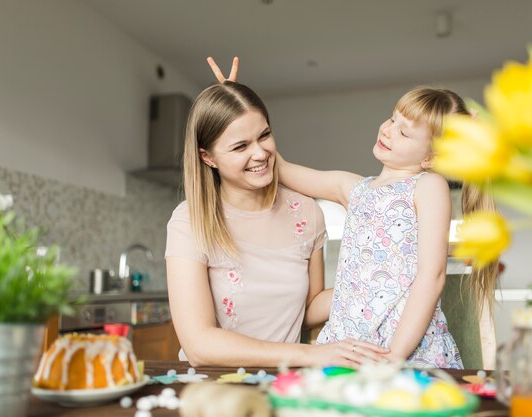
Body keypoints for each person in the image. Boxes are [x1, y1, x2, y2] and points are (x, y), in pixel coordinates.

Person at [165, 79, 389, 367]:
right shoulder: (189, 221)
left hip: (284, 381)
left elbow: (306, 308)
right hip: (214, 386)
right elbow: (199, 345)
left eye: (264, 135)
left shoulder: (306, 212)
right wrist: (311, 355)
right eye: (240, 146)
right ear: (208, 157)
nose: (259, 153)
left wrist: (375, 284)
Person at [275, 87, 480, 369]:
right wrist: (240, 110)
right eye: (392, 119)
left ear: (431, 158)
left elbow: (431, 276)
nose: (388, 130)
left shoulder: (428, 186)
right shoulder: (353, 188)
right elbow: (282, 169)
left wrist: (395, 354)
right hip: (349, 346)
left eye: (404, 132)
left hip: (404, 349)